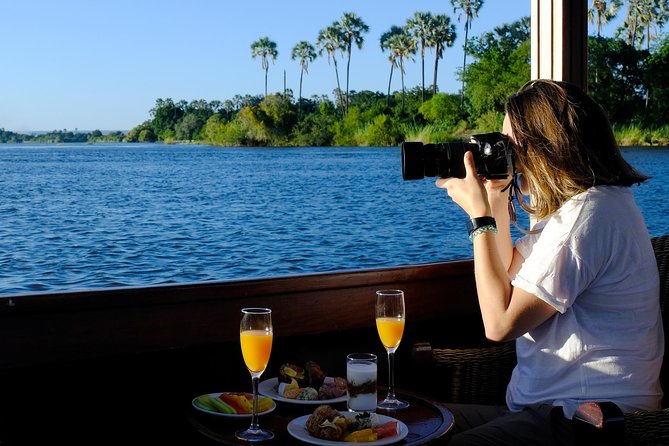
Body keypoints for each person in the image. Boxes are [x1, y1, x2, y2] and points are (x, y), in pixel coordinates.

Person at [436, 79, 663, 445]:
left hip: (587, 418)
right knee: (412, 426)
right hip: (542, 409)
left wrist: (478, 218)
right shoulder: (586, 207)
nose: (504, 153)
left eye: (509, 144)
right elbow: (509, 273)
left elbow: (498, 323)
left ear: (545, 145)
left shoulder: (588, 216)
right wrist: (495, 195)